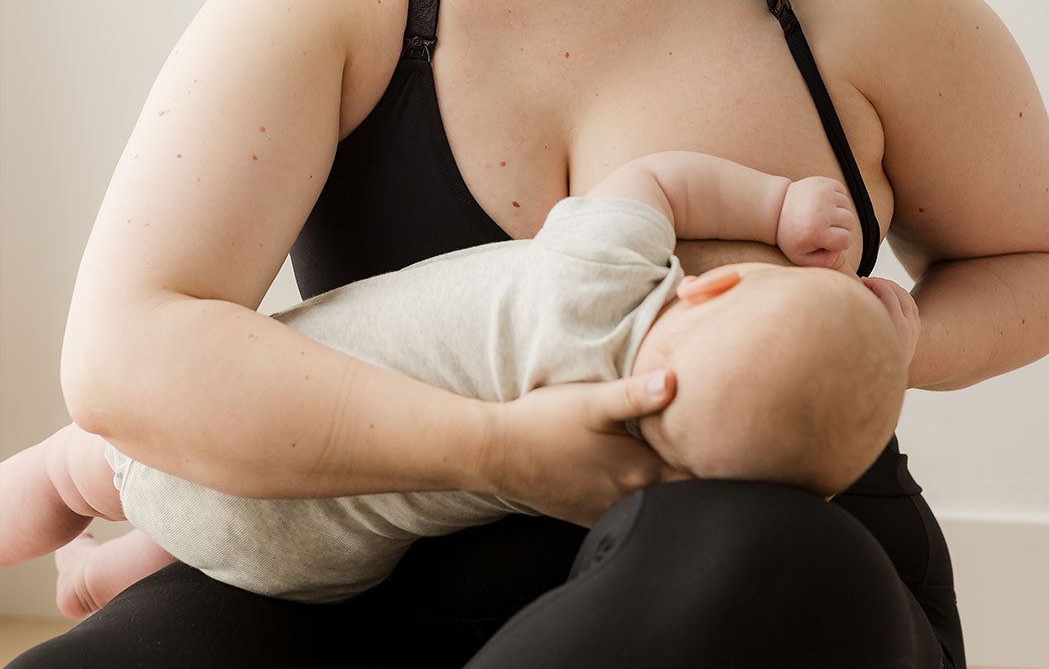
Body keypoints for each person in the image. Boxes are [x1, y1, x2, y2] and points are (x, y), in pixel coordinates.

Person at [4, 0, 1049, 669]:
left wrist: (863, 342)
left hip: (753, 601)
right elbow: (123, 354)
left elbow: (1044, 259)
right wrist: (494, 449)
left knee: (764, 556)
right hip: (376, 590)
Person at [0, 150, 914, 611]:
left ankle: (62, 524)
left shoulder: (595, 279)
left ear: (711, 286)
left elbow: (654, 178)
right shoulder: (631, 473)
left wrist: (777, 207)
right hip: (317, 570)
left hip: (241, 442)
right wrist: (885, 355)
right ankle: (106, 580)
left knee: (72, 467)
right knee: (223, 528)